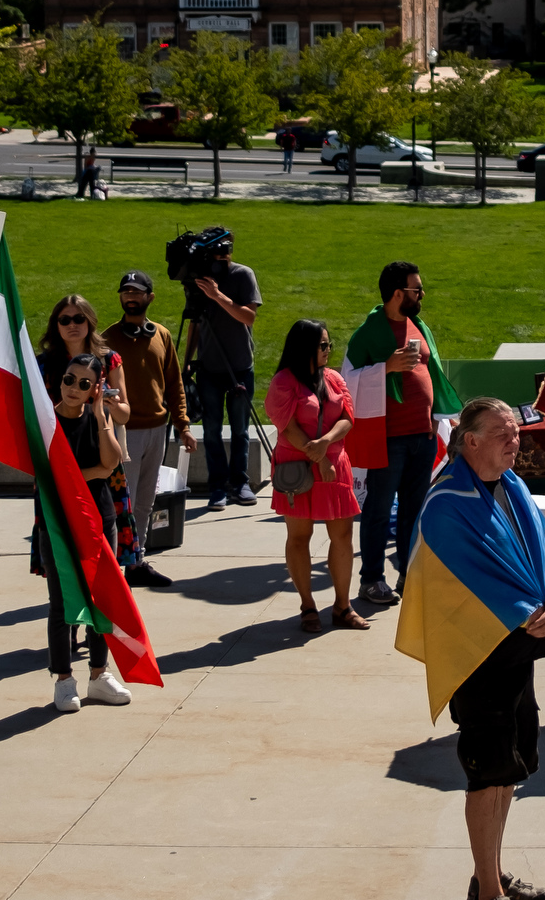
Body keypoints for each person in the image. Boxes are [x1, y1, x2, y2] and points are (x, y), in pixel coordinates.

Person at [415, 398, 545, 900]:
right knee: (488, 775)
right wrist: (535, 609)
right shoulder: (445, 502)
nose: (515, 442)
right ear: (468, 439)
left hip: (514, 655)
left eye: (516, 433)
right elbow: (475, 578)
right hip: (476, 660)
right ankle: (487, 897)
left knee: (509, 771)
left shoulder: (511, 487)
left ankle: (492, 873)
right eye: (503, 434)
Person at [354, 261, 452, 608]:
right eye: (416, 289)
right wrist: (385, 368)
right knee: (379, 511)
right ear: (398, 294)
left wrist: (443, 420)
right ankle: (371, 579)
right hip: (389, 439)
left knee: (414, 510)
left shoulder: (418, 325)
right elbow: (346, 380)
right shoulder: (369, 332)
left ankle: (409, 574)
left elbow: (432, 372)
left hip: (422, 436)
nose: (422, 294)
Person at [40, 356, 135, 708]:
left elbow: (111, 463)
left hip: (98, 518)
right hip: (57, 522)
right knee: (61, 602)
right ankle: (64, 680)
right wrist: (85, 473)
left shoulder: (99, 417)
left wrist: (100, 417)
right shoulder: (45, 421)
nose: (73, 388)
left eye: (84, 384)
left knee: (103, 598)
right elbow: (47, 472)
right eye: (69, 379)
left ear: (96, 389)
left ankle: (99, 674)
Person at [265, 318, 363, 631]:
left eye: (329, 344)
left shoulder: (333, 378)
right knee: (299, 536)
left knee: (343, 536)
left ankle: (343, 606)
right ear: (305, 347)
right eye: (322, 345)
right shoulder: (284, 381)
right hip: (297, 467)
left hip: (332, 461)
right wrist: (317, 455)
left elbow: (348, 417)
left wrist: (324, 444)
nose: (328, 350)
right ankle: (308, 604)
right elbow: (287, 427)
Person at [104, 270, 189, 589]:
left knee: (144, 501)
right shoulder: (107, 339)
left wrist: (182, 424)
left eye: (137, 292)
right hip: (124, 432)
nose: (130, 297)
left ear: (149, 297)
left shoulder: (162, 335)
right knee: (121, 502)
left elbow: (174, 383)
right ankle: (114, 563)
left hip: (158, 428)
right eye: (125, 292)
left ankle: (135, 561)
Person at [180, 234, 263, 509]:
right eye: (217, 252)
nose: (223, 256)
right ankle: (217, 487)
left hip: (240, 366)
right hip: (209, 368)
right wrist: (187, 362)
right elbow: (196, 322)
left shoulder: (243, 275)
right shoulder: (199, 278)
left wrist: (217, 295)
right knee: (211, 430)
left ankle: (240, 483)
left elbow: (248, 317)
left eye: (227, 250)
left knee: (240, 429)